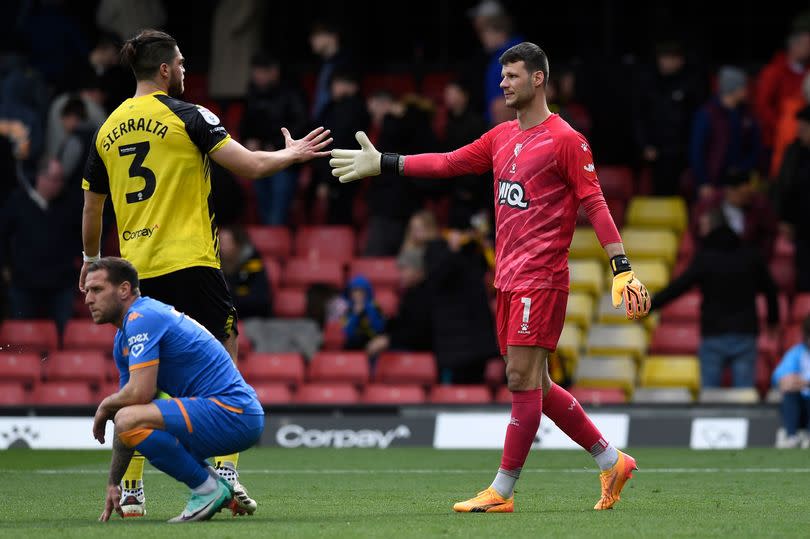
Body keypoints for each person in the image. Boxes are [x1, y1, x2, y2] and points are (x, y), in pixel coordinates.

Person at [330, 42, 650, 512]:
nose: (503, 83)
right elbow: (448, 162)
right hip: (507, 278)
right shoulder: (501, 137)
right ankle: (611, 459)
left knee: (521, 379)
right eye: (502, 76)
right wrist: (385, 163)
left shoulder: (565, 139)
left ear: (538, 79)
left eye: (513, 76)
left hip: (541, 278)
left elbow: (595, 202)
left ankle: (502, 490)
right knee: (535, 385)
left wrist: (620, 264)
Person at [79, 29, 330, 518]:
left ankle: (131, 493)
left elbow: (93, 208)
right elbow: (252, 166)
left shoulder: (107, 129)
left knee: (137, 374)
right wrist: (292, 154)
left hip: (136, 273)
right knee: (224, 371)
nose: (186, 71)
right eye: (183, 62)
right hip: (192, 264)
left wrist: (91, 262)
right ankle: (226, 475)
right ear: (167, 69)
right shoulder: (189, 115)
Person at [85, 258, 264, 522]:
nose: (89, 299)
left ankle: (207, 490)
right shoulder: (124, 337)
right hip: (226, 415)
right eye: (87, 291)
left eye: (97, 290)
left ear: (124, 290)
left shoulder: (142, 316)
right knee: (129, 421)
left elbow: (139, 394)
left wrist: (104, 406)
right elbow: (128, 412)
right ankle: (219, 488)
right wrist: (114, 482)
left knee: (127, 418)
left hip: (233, 411)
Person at [652, 209, 779, 388]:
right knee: (744, 399)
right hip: (745, 333)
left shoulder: (705, 258)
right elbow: (770, 289)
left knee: (710, 401)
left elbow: (678, 287)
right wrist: (773, 320)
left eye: (703, 226)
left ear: (712, 226)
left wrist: (650, 305)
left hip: (714, 333)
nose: (700, 231)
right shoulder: (750, 255)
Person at [0, 159, 79, 336]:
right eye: (54, 178)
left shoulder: (69, 204)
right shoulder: (17, 201)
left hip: (61, 284)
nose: (58, 184)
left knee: (63, 335)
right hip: (23, 283)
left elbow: (81, 237)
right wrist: (6, 267)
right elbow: (3, 237)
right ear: (40, 178)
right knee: (21, 336)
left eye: (60, 179)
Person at [241, 53, 309, 225]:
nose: (258, 76)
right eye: (255, 72)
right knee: (262, 207)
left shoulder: (292, 92)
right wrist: (249, 139)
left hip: (286, 159)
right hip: (259, 156)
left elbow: (301, 124)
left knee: (278, 212)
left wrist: (277, 146)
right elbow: (246, 123)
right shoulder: (253, 93)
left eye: (262, 72)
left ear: (274, 72)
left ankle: (278, 243)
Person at [633, 40, 705, 196]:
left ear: (680, 60)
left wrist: (690, 149)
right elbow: (640, 117)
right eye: (663, 57)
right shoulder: (649, 83)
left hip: (682, 153)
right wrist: (645, 145)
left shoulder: (691, 84)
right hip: (656, 153)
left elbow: (697, 121)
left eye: (671, 58)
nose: (666, 62)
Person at [689, 66, 761, 200]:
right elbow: (697, 151)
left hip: (739, 183)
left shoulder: (747, 114)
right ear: (733, 89)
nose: (747, 91)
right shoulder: (707, 114)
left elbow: (755, 146)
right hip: (713, 181)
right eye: (743, 87)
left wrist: (743, 169)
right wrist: (703, 182)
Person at [690, 170, 777, 261]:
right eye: (743, 193)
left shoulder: (759, 206)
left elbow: (768, 236)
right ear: (730, 191)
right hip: (715, 258)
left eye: (749, 193)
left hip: (747, 258)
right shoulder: (710, 204)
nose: (748, 197)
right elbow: (698, 233)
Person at [754, 26, 810, 154]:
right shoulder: (774, 72)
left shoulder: (806, 72)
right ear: (794, 46)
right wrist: (780, 126)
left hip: (803, 139)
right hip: (776, 140)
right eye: (808, 45)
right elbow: (762, 105)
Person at [775, 105, 810, 292]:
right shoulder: (793, 152)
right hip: (801, 225)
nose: (800, 131)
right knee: (804, 270)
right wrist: (785, 219)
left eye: (805, 127)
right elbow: (783, 186)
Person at [771, 315, 810, 449]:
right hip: (802, 404)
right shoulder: (797, 352)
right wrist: (785, 380)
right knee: (789, 393)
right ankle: (791, 437)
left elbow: (805, 382)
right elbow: (779, 375)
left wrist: (806, 382)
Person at [218, 226, 272, 318]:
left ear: (237, 245)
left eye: (227, 243)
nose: (222, 248)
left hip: (254, 318)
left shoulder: (253, 264)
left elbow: (261, 300)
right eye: (220, 243)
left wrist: (232, 299)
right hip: (226, 319)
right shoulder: (214, 265)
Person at [342, 275, 386, 351]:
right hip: (354, 343)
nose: (358, 294)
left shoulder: (375, 306)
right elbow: (348, 332)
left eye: (361, 291)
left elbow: (379, 328)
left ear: (367, 292)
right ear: (350, 293)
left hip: (373, 341)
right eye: (355, 291)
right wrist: (356, 315)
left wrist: (368, 309)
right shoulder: (348, 309)